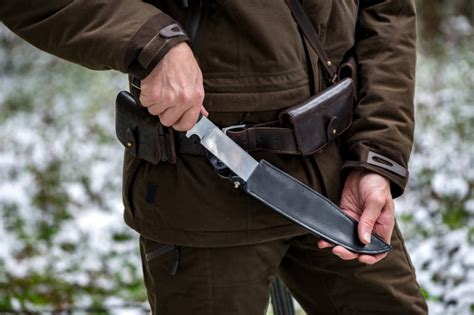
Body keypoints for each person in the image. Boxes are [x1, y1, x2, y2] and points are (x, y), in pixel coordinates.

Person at [1, 0, 428, 314]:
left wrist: (377, 155)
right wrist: (151, 39)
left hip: (336, 176)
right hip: (202, 182)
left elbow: (386, 10)